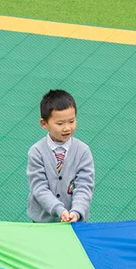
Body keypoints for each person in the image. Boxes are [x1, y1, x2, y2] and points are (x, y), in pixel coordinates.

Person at [27, 89, 94, 224]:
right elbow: (39, 187)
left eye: (71, 121)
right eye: (60, 123)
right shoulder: (36, 152)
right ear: (44, 123)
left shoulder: (83, 151)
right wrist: (59, 210)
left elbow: (84, 186)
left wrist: (76, 211)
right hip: (43, 222)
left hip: (74, 220)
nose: (67, 128)